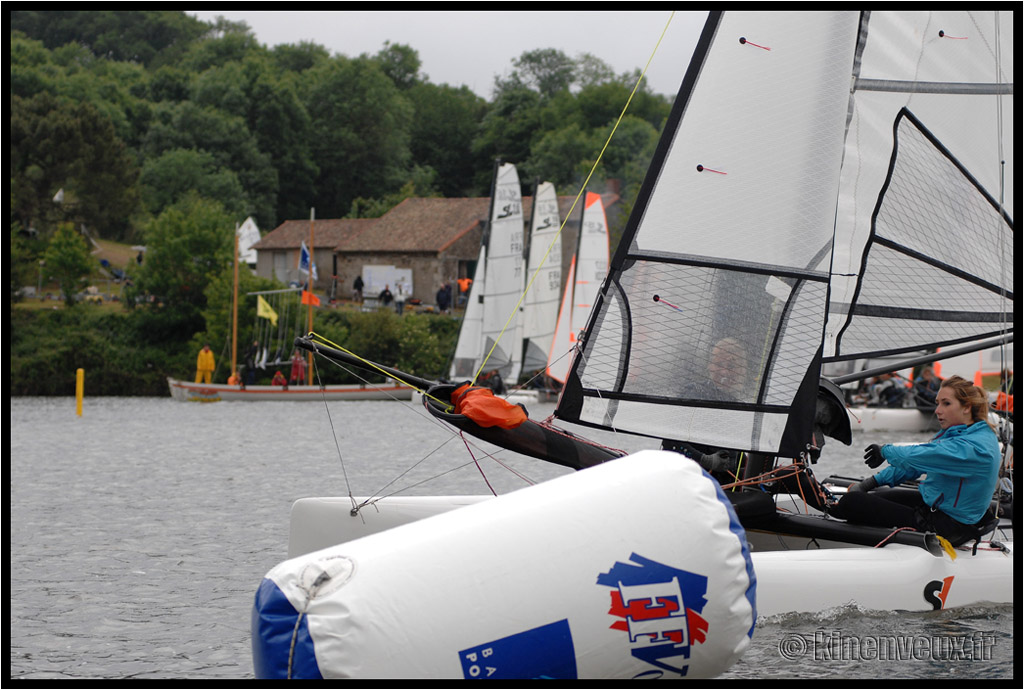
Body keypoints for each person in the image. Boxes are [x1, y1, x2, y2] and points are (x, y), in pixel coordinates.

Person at [829, 375, 1001, 546]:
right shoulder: (966, 434)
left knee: (853, 503)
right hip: (939, 511)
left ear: (967, 407)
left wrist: (884, 451)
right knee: (877, 495)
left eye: (946, 403)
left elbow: (917, 455)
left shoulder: (974, 447)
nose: (937, 410)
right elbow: (915, 465)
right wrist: (869, 483)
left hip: (948, 526)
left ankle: (832, 513)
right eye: (937, 403)